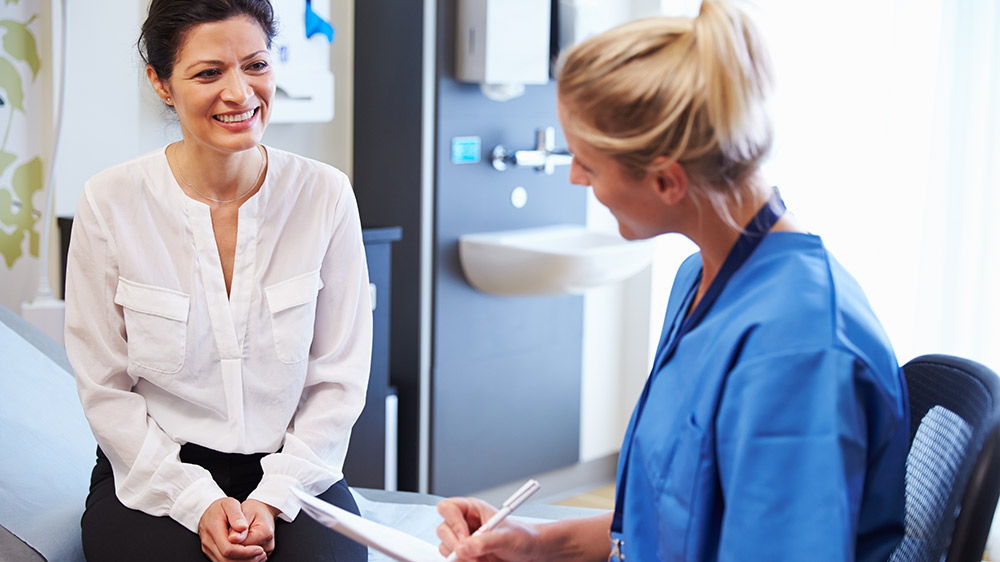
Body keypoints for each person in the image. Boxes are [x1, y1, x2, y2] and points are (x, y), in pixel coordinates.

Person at [436, 1, 910, 561]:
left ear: (666, 180)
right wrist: (535, 542)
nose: (574, 176)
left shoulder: (797, 353)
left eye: (589, 163)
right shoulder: (702, 280)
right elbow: (670, 519)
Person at [63, 1, 371, 561]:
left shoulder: (325, 195)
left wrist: (275, 497)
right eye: (209, 73)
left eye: (255, 65)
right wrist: (195, 500)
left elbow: (338, 379)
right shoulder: (109, 202)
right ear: (160, 82)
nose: (240, 93)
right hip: (154, 471)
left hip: (291, 467)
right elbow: (105, 389)